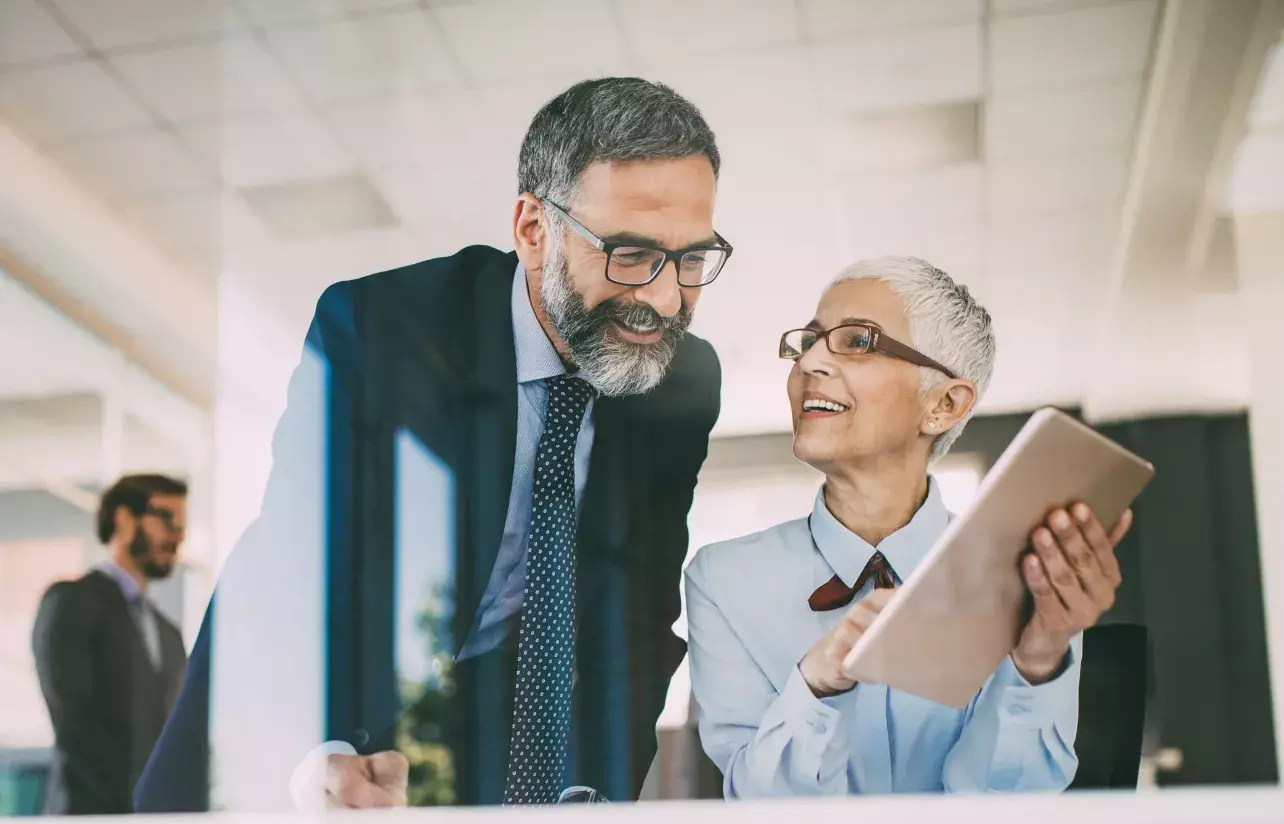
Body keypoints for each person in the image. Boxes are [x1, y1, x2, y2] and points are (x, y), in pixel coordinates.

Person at [136, 78, 728, 812]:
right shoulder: (384, 329)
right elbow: (294, 570)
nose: (665, 299)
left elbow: (635, 617)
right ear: (534, 229)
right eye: (632, 254)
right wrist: (315, 757)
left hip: (491, 717)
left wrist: (595, 790)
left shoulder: (682, 380)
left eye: (693, 260)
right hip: (321, 707)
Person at [685, 257, 1132, 797]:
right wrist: (816, 683)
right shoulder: (723, 581)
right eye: (809, 341)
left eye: (856, 341)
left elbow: (1003, 803)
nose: (809, 362)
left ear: (944, 404)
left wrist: (1039, 656)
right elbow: (757, 805)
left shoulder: (1028, 572)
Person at [31, 474, 189, 814]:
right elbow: (75, 724)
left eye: (181, 525)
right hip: (87, 813)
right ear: (123, 519)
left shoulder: (168, 634)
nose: (177, 535)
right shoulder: (72, 602)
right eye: (166, 518)